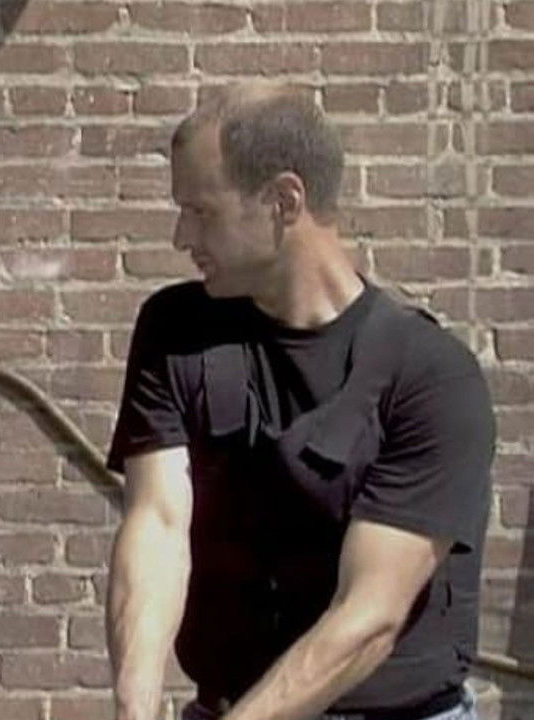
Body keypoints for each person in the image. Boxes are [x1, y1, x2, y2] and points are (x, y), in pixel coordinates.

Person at [106, 83, 495, 720]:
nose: (181, 236)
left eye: (201, 211)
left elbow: (368, 617)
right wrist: (135, 704)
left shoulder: (430, 376)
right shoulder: (176, 333)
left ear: (285, 201)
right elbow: (158, 523)